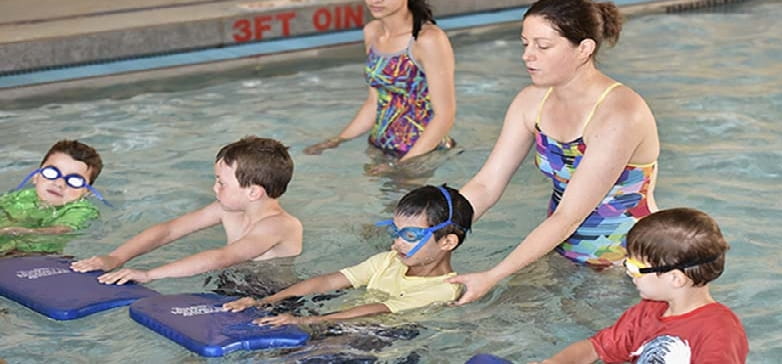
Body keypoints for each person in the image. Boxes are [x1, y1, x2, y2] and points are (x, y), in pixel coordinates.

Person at [448, 0, 660, 304]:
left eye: (543, 46)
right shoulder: (532, 101)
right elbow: (486, 184)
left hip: (629, 265)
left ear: (584, 49)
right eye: (525, 43)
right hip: (560, 249)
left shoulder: (621, 111)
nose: (527, 55)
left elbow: (568, 217)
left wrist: (492, 276)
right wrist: (435, 231)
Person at [221, 184, 472, 325]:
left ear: (447, 242)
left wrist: (305, 322)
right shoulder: (388, 261)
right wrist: (267, 301)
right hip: (340, 318)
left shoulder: (446, 289)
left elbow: (378, 309)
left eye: (409, 236)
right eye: (396, 232)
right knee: (243, 285)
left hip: (381, 339)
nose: (396, 243)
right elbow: (329, 281)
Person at [70, 136, 303, 284]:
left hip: (275, 301)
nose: (214, 187)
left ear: (253, 192)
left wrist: (150, 274)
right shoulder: (228, 209)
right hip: (232, 286)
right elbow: (170, 230)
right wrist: (116, 257)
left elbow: (222, 257)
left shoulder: (279, 225)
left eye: (221, 182)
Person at [530, 208, 749, 363]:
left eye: (635, 267)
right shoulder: (648, 311)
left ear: (675, 278)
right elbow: (594, 347)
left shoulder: (719, 330)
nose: (628, 273)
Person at [303, 0, 456, 174]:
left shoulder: (428, 40)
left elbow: (445, 115)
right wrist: (335, 141)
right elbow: (375, 103)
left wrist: (402, 166)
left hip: (422, 155)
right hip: (380, 149)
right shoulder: (372, 31)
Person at [1, 140, 106, 254]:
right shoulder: (22, 196)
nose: (59, 183)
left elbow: (62, 230)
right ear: (36, 176)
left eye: (75, 180)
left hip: (36, 255)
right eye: (52, 172)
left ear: (86, 192)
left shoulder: (81, 209)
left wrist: (23, 231)